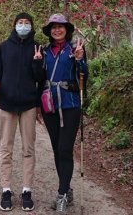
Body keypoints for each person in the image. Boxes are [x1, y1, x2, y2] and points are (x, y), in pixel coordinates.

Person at [0, 12, 44, 212]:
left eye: (27, 23)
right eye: (20, 23)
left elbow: (41, 79)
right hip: (8, 105)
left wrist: (38, 62)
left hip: (29, 105)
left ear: (31, 26)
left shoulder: (37, 47)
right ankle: (6, 190)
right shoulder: (4, 47)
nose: (23, 26)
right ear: (14, 25)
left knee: (28, 149)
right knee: (6, 148)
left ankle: (27, 190)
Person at [40, 13, 88, 213]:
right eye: (53, 27)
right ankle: (67, 190)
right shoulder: (44, 52)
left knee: (65, 149)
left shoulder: (74, 49)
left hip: (70, 105)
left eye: (60, 26)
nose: (57, 30)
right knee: (57, 150)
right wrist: (37, 107)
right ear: (50, 31)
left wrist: (80, 60)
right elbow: (39, 79)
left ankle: (61, 195)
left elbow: (84, 75)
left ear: (67, 30)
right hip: (50, 107)